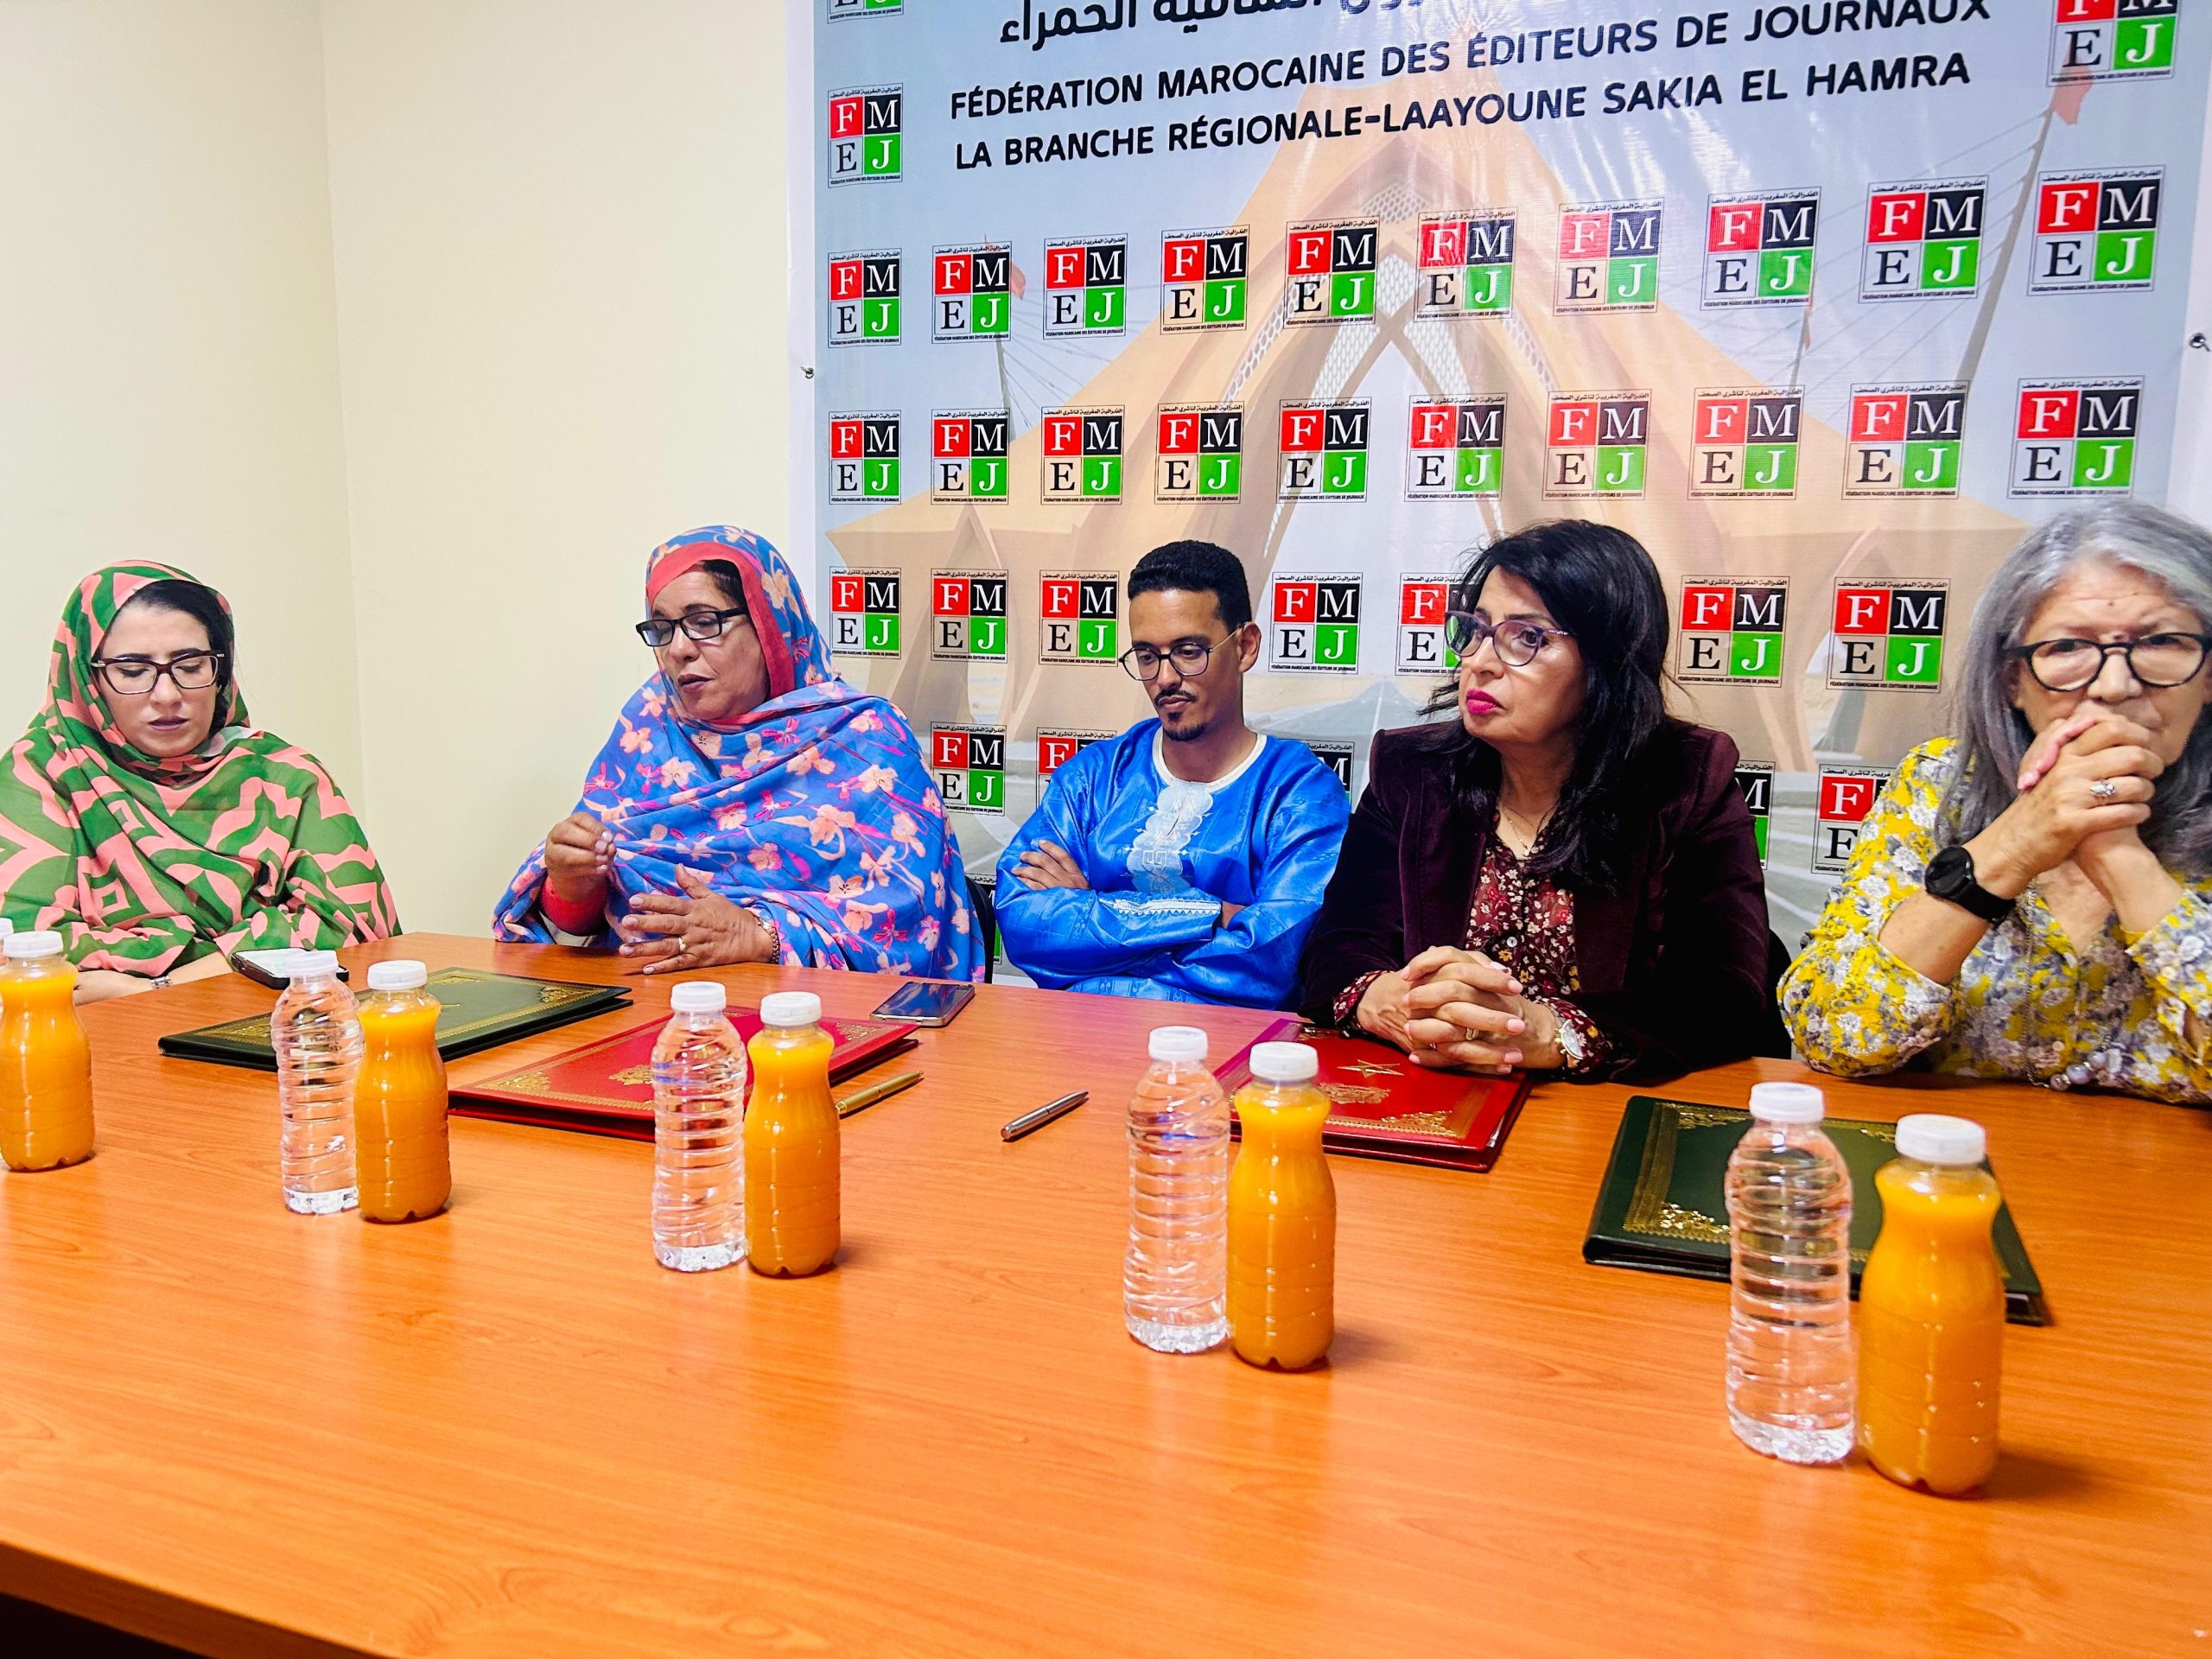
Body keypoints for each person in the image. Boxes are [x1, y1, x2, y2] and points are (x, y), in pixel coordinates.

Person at [1296, 520, 1783, 1080]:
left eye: (1527, 638)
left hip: (1600, 1109)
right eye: (1475, 630)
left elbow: (1724, 995)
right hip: (1436, 1091)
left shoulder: (1687, 778)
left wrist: (1548, 1032)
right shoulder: (1412, 771)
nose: (1479, 661)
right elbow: (1337, 947)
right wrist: (1392, 1001)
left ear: (1607, 660)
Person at [1783, 503, 2212, 1103]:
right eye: (2068, 647)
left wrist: (2118, 852)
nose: (2115, 686)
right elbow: (1831, 1035)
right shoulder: (1939, 786)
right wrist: (2013, 845)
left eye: (2162, 641)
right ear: (2013, 680)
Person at [495, 525, 982, 981]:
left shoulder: (864, 738)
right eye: (662, 629)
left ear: (770, 627)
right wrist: (572, 883)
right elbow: (581, 925)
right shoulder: (648, 725)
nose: (679, 649)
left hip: (809, 1019)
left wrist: (761, 936)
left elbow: (912, 924)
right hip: (652, 1007)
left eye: (703, 622)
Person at [0, 563, 397, 1002]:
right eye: (132, 671)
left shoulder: (284, 777)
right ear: (88, 678)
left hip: (275, 1026)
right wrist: (261, 940)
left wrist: (156, 985)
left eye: (190, 666)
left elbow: (357, 930)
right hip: (99, 1035)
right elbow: (26, 949)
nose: (167, 695)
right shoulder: (40, 774)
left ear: (220, 670)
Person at [995, 540, 1348, 1007]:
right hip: (1078, 1037)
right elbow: (1024, 920)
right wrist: (1212, 914)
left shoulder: (1299, 793)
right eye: (1146, 655)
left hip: (1226, 1047)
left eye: (1188, 651)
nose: (1164, 678)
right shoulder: (1093, 777)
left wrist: (1090, 914)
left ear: (1245, 647)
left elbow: (1272, 961)